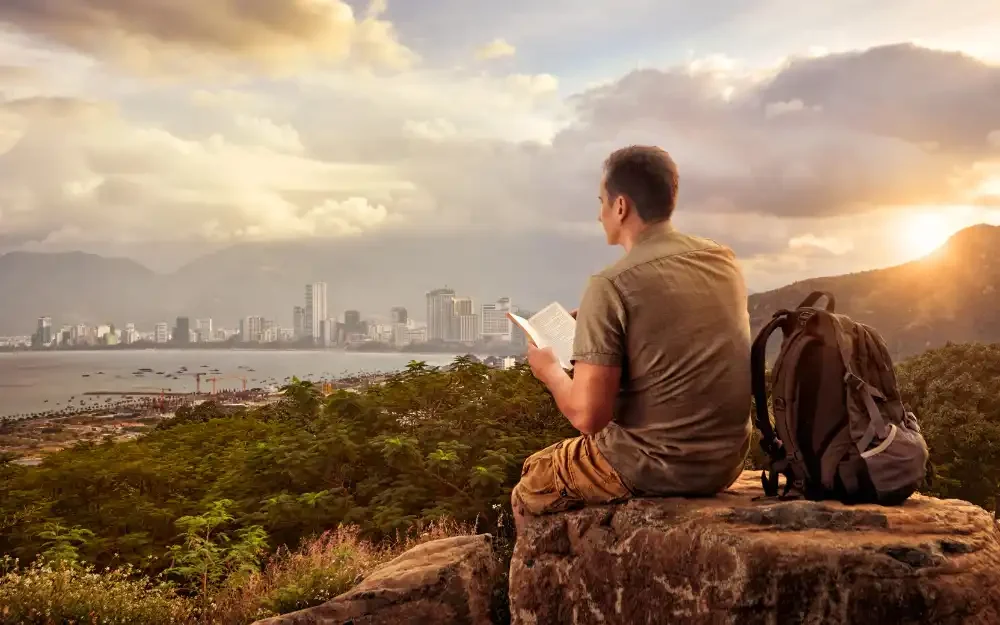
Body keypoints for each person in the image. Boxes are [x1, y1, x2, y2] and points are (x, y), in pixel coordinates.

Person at [511, 145, 752, 535]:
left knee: (534, 480)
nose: (599, 213)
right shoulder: (720, 259)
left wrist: (550, 370)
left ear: (620, 207)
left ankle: (544, 590)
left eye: (602, 202)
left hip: (657, 466)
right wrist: (593, 320)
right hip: (726, 459)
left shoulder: (610, 284)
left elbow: (589, 417)